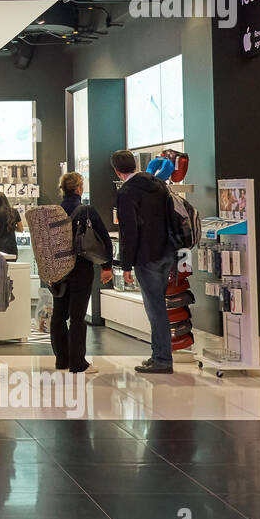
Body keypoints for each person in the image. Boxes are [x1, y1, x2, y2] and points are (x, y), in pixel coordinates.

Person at [112, 149, 177, 374]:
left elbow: (129, 231)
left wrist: (126, 265)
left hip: (146, 256)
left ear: (117, 171)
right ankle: (157, 354)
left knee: (155, 307)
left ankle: (162, 359)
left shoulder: (127, 192)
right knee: (157, 304)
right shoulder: (157, 184)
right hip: (167, 252)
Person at [51, 172, 113, 374]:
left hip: (59, 270)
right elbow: (104, 239)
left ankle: (62, 360)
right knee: (77, 316)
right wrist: (106, 266)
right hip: (81, 268)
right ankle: (78, 362)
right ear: (78, 188)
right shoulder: (87, 211)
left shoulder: (54, 211)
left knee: (59, 314)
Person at [0, 191, 22, 257]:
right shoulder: (14, 212)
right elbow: (21, 229)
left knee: (1, 266)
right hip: (12, 246)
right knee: (12, 266)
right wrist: (11, 226)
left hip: (0, 247)